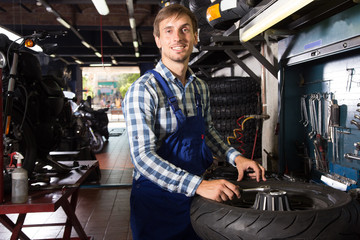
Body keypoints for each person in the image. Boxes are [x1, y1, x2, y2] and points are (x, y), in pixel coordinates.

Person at [123, 4, 266, 240]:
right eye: (168, 31)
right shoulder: (143, 90)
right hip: (157, 203)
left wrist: (236, 157)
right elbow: (142, 158)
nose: (177, 37)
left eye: (185, 29)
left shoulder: (200, 87)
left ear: (196, 36)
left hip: (195, 197)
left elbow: (207, 132)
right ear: (158, 40)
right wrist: (199, 186)